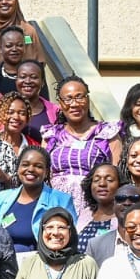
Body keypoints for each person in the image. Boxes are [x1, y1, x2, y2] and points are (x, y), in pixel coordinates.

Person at [42, 77, 121, 225]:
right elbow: (42, 173)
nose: (74, 104)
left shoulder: (107, 133)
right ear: (60, 103)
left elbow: (118, 175)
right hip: (56, 205)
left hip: (95, 207)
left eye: (79, 97)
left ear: (88, 99)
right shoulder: (50, 135)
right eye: (68, 99)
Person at [0, 146, 75, 257]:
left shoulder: (62, 200)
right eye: (25, 165)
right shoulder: (3, 197)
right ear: (18, 169)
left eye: (38, 166)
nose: (31, 169)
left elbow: (71, 239)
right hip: (4, 266)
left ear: (46, 172)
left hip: (41, 265)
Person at [76, 165, 124, 252]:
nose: (102, 184)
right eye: (96, 180)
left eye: (109, 180)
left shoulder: (125, 217)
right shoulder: (84, 213)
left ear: (120, 185)